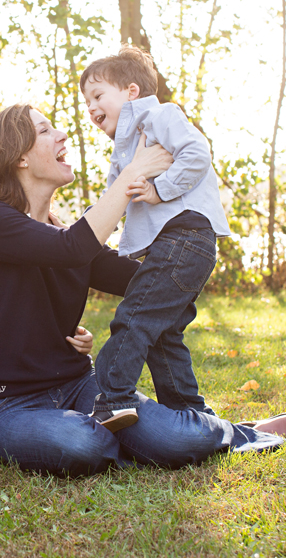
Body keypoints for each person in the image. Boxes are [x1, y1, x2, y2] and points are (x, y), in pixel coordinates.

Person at [0, 103, 286, 478]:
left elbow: (145, 282)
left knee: (171, 440)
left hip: (81, 386)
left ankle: (237, 432)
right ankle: (139, 437)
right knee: (81, 443)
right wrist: (132, 173)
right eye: (44, 130)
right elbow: (71, 248)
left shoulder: (67, 232)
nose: (62, 135)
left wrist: (187, 245)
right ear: (19, 157)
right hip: (9, 404)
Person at [77, 46, 230, 431]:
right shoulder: (123, 151)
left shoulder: (160, 116)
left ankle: (114, 398)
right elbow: (112, 203)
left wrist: (161, 189)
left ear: (131, 92)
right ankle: (191, 413)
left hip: (185, 237)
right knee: (164, 331)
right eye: (86, 102)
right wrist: (74, 233)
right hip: (176, 246)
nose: (91, 108)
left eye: (98, 95)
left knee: (135, 317)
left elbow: (197, 154)